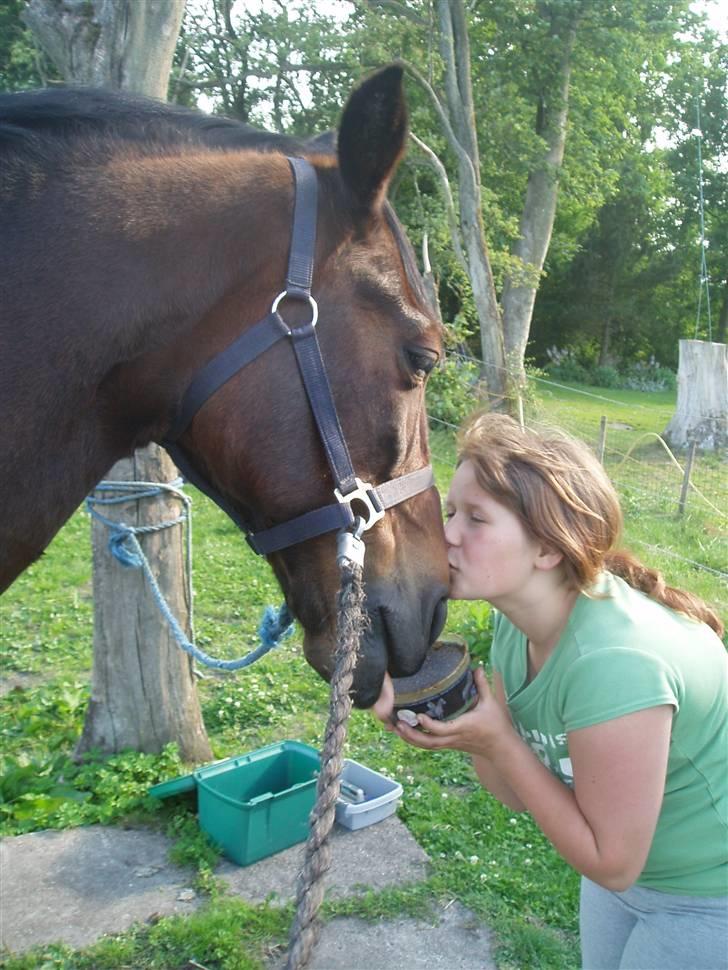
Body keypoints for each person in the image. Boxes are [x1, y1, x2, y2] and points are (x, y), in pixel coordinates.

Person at [373, 411, 728, 970]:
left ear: (547, 549)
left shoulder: (615, 664)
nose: (447, 535)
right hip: (628, 875)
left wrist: (501, 743)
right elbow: (515, 792)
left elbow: (612, 862)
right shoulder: (518, 624)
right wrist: (471, 731)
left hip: (707, 896)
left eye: (476, 518)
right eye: (450, 511)